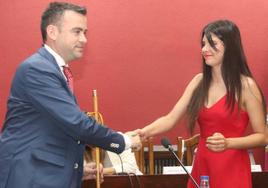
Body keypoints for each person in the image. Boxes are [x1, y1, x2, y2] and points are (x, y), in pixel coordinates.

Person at [0, 2, 141, 188]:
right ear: (52, 32)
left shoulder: (54, 70)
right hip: (28, 177)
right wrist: (123, 141)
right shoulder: (37, 69)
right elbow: (76, 123)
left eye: (85, 32)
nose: (84, 39)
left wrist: (76, 169)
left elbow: (52, 130)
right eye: (77, 31)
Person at [135, 20, 267, 188]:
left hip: (232, 167)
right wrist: (144, 132)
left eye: (212, 44)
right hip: (203, 165)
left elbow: (263, 136)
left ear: (230, 47)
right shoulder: (199, 81)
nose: (204, 50)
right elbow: (171, 118)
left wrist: (228, 143)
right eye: (203, 44)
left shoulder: (246, 86)